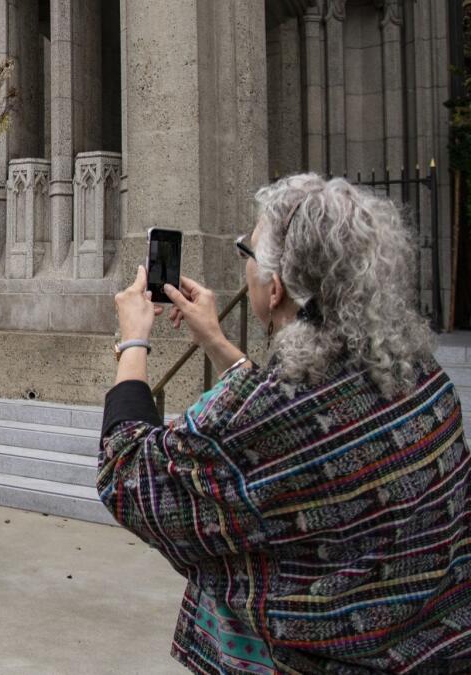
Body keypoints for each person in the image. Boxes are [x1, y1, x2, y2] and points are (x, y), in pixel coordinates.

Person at [102, 173, 471, 673]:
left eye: (246, 252)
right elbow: (292, 425)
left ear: (274, 286)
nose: (244, 265)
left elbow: (129, 476)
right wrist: (216, 340)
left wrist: (133, 343)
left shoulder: (265, 417)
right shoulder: (423, 379)